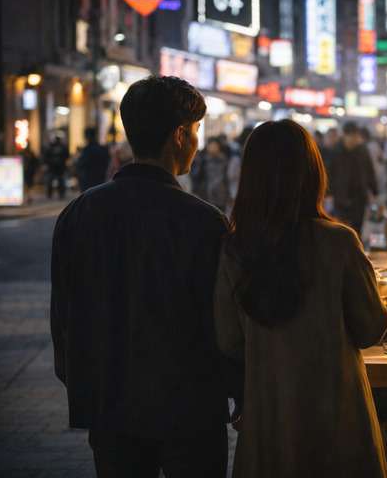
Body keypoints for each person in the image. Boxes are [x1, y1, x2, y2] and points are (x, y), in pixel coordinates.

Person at [50, 76, 239, 478]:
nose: (198, 143)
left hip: (110, 404)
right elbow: (222, 322)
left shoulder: (80, 213)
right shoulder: (204, 222)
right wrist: (239, 388)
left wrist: (83, 382)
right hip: (190, 405)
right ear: (180, 135)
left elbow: (64, 315)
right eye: (197, 132)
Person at [213, 119, 387, 477]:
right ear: (312, 174)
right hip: (338, 417)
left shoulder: (236, 249)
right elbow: (371, 327)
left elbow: (229, 340)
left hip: (269, 417)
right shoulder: (339, 242)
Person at [328, 121, 378, 235]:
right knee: (340, 230)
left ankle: (355, 252)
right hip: (340, 197)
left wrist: (374, 191)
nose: (354, 139)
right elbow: (329, 173)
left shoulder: (363, 151)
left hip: (359, 198)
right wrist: (328, 193)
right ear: (345, 136)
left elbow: (370, 172)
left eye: (356, 136)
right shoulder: (336, 151)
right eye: (351, 136)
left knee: (356, 230)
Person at [192, 136, 231, 211]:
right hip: (206, 195)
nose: (212, 148)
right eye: (211, 146)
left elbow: (227, 177)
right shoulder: (203, 160)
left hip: (221, 194)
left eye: (215, 146)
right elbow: (198, 177)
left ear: (219, 147)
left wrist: (229, 194)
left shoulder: (225, 160)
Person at [75, 127, 110, 192]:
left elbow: (81, 164)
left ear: (87, 136)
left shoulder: (87, 150)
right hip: (100, 180)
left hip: (88, 181)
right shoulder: (102, 149)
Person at [43, 133, 69, 199]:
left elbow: (66, 156)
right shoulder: (52, 147)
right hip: (53, 167)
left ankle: (59, 194)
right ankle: (53, 194)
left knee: (59, 182)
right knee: (52, 182)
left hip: (59, 167)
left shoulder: (61, 147)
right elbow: (46, 156)